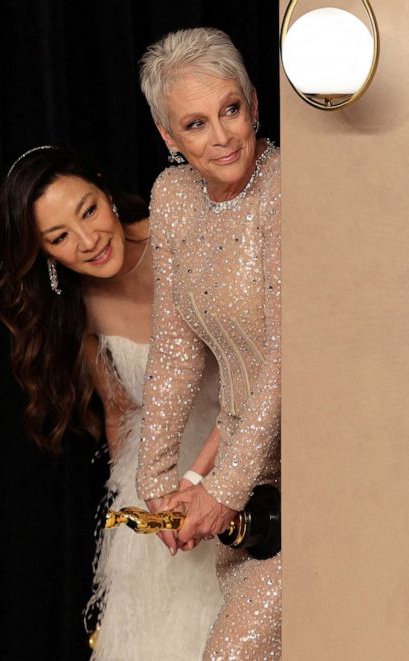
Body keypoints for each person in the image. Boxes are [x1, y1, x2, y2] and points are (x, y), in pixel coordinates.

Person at [0, 146, 223, 660]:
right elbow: (121, 413)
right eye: (59, 238)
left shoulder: (182, 234)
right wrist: (136, 509)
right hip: (157, 480)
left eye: (88, 211)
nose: (88, 240)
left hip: (238, 449)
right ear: (45, 253)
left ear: (104, 189)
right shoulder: (77, 310)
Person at [136, 27, 281, 659]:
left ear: (253, 101)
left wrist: (223, 490)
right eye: (195, 124)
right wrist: (159, 476)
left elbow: (289, 356)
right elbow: (175, 345)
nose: (221, 137)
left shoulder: (287, 191)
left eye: (230, 110)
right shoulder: (172, 198)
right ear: (169, 138)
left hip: (322, 465)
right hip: (246, 466)